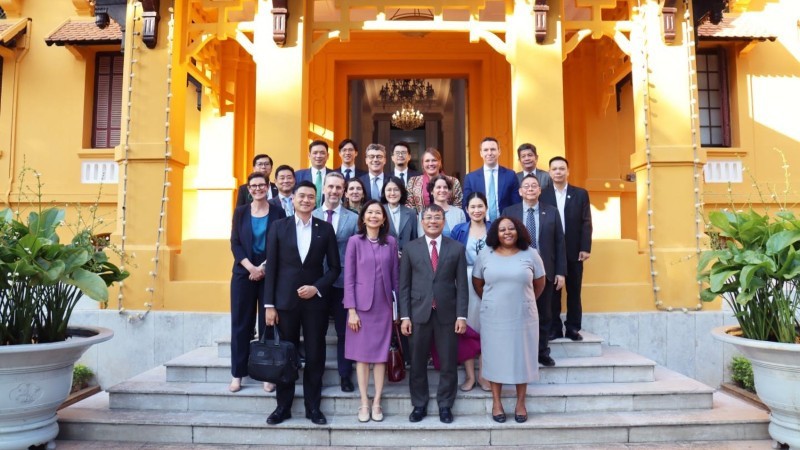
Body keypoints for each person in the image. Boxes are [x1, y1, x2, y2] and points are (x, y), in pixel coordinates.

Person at [263, 181, 341, 426]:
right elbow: (272, 267)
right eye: (302, 196)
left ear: (315, 200)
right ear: (293, 199)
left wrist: (316, 287)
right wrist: (269, 305)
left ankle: (313, 407)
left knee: (316, 355)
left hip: (315, 304)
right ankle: (283, 407)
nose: (306, 200)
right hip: (285, 303)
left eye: (311, 197)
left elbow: (335, 268)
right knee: (285, 355)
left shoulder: (325, 229)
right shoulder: (278, 227)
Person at [399, 204, 469, 424]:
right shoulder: (411, 248)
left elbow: (462, 286)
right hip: (418, 314)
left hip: (447, 315)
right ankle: (419, 404)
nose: (432, 221)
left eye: (437, 217)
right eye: (428, 218)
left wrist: (461, 316)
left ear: (443, 221)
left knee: (448, 363)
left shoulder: (456, 248)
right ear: (422, 222)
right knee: (418, 362)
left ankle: (445, 405)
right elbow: (404, 286)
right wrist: (405, 317)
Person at [472, 216, 546, 424]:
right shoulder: (485, 254)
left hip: (523, 315)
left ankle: (521, 403)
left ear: (518, 231)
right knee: (495, 357)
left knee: (522, 357)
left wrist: (523, 299)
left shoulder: (531, 254)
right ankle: (497, 402)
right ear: (495, 233)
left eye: (511, 228)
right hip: (493, 316)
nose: (507, 232)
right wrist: (494, 299)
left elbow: (539, 284)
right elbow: (478, 283)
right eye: (502, 229)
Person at [229, 172, 286, 394]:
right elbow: (235, 243)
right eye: (254, 186)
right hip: (244, 274)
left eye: (262, 185)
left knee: (268, 324)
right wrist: (250, 267)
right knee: (241, 325)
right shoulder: (241, 212)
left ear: (268, 187)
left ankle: (267, 374)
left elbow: (281, 243)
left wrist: (262, 268)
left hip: (269, 274)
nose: (258, 189)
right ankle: (238, 374)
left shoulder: (278, 212)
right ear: (249, 189)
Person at [343, 200, 399, 423]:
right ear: (363, 217)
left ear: (384, 219)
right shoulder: (354, 242)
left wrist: (397, 311)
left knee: (380, 357)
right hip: (361, 309)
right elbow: (349, 278)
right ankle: (364, 402)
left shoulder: (391, 243)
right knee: (362, 358)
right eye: (370, 212)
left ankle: (377, 401)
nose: (374, 216)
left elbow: (396, 278)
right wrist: (351, 310)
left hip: (384, 307)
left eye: (378, 213)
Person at [502, 174, 566, 367]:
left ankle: (542, 351)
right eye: (526, 186)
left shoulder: (552, 212)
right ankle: (519, 350)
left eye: (534, 186)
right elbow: (502, 242)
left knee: (544, 313)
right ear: (520, 192)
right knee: (517, 313)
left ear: (540, 190)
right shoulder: (509, 211)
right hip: (517, 271)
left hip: (544, 271)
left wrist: (561, 272)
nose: (530, 189)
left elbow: (560, 243)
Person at [312, 172, 359, 393]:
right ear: (323, 189)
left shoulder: (353, 218)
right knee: (316, 331)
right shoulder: (311, 215)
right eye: (330, 187)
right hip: (317, 283)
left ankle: (344, 374)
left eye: (338, 188)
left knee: (344, 332)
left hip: (343, 282)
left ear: (344, 191)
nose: (333, 191)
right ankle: (316, 375)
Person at [540, 156, 593, 342]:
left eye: (562, 168)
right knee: (553, 292)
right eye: (554, 169)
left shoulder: (580, 194)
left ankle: (572, 328)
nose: (558, 172)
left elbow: (586, 222)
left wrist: (585, 247)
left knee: (574, 290)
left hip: (574, 250)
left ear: (568, 171)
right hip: (551, 252)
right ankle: (554, 328)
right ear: (549, 172)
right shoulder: (543, 194)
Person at [449, 192, 491, 392]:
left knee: (487, 329)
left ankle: (483, 375)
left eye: (480, 206)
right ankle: (469, 376)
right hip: (463, 282)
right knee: (466, 328)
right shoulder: (459, 230)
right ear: (466, 210)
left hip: (490, 283)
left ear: (486, 208)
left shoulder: (494, 228)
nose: (476, 210)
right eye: (472, 207)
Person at [462, 137, 521, 221]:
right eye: (485, 150)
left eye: (493, 149)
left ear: (499, 151)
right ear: (481, 153)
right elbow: (466, 206)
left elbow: (516, 205)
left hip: (505, 226)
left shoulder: (510, 175)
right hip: (480, 225)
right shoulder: (471, 178)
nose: (489, 153)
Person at [406, 148, 463, 213]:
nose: (430, 164)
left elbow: (458, 206)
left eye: (434, 160)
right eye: (427, 161)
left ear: (440, 162)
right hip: (421, 222)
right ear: (422, 164)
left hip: (449, 222)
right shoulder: (413, 182)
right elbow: (409, 207)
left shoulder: (453, 182)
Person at [381, 176, 418, 252]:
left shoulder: (411, 213)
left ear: (401, 192)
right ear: (384, 193)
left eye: (396, 190)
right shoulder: (379, 211)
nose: (392, 193)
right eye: (389, 190)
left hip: (406, 258)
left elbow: (414, 239)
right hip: (385, 257)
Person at [295, 140, 330, 208]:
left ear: (327, 156)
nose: (318, 156)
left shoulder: (335, 175)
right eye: (315, 153)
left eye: (322, 153)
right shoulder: (298, 175)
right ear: (309, 155)